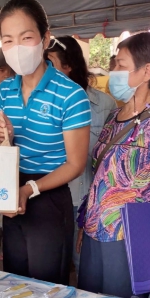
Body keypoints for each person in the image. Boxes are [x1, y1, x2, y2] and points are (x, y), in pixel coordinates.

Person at [0, 0, 91, 285]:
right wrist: (3, 138)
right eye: (7, 40)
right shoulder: (5, 89)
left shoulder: (71, 95)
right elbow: (5, 148)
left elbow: (76, 163)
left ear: (45, 39)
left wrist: (30, 189)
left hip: (48, 195)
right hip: (12, 191)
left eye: (26, 37)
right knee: (15, 280)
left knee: (47, 287)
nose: (16, 47)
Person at [78, 32, 150, 298]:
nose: (113, 70)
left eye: (120, 65)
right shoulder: (115, 117)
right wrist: (85, 221)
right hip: (94, 232)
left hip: (128, 239)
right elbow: (100, 176)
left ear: (146, 71)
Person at [45, 35, 117, 274]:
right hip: (51, 198)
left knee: (84, 266)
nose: (44, 70)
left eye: (50, 62)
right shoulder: (41, 103)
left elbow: (110, 162)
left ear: (69, 65)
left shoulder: (105, 105)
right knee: (53, 266)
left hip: (88, 201)